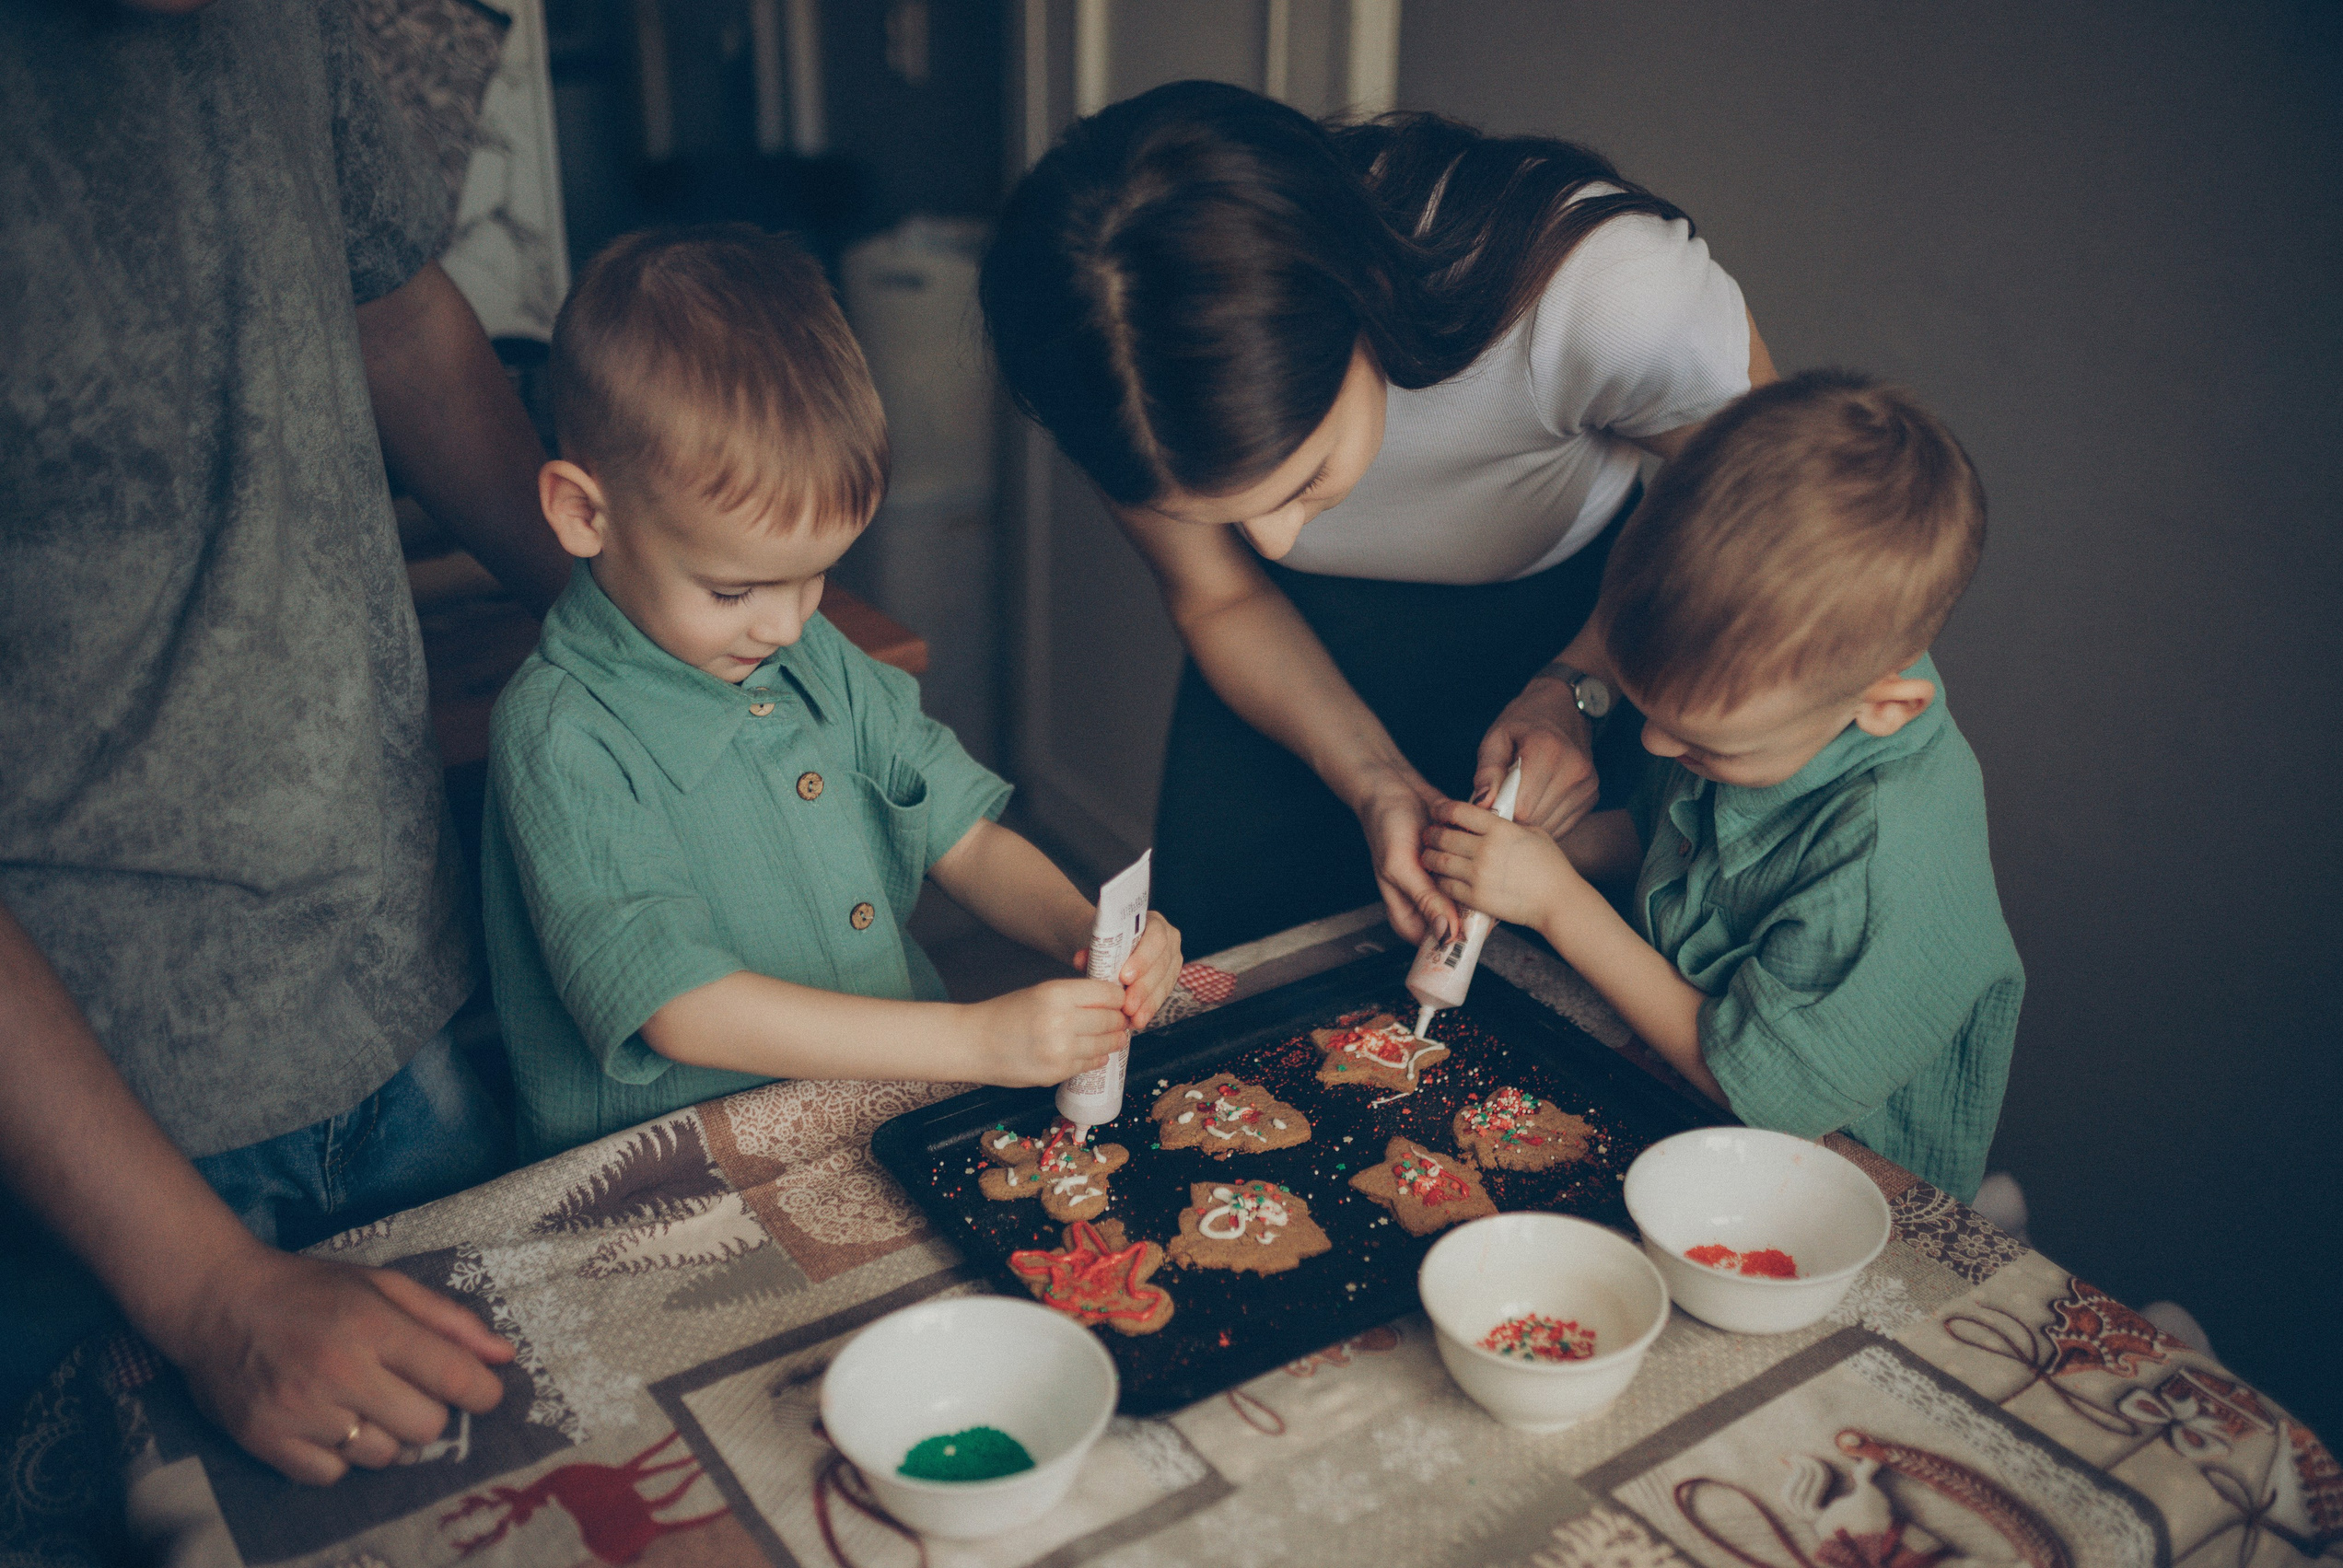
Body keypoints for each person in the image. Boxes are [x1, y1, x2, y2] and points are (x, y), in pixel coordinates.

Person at [0, 0, 576, 1485]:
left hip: (405, 979)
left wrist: (658, 615)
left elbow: (395, 308)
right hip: (103, 1134)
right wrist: (201, 1285)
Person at [979, 80, 1777, 956]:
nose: (1275, 541)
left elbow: (1768, 520)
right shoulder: (1111, 359)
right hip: (1280, 680)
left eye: (1303, 479)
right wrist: (1374, 781)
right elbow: (1224, 597)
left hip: (1586, 629)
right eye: (1221, 513)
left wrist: (1579, 686)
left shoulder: (1605, 292)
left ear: (1363, 294)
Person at [482, 227, 1183, 1160]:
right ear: (583, 513)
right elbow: (681, 1010)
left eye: (814, 574)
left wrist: (1089, 936)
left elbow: (962, 836)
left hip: (875, 1123)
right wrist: (975, 1039)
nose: (783, 625)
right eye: (734, 589)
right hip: (687, 1177)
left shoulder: (815, 652)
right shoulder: (560, 732)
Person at [1417, 373, 2023, 1198]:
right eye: (1647, 709)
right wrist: (1544, 848)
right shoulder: (1766, 718)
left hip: (1832, 1180)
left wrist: (1555, 899)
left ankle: (2002, 1211)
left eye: (1702, 743)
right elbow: (1681, 842)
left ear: (1883, 706)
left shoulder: (1886, 867)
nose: (1659, 745)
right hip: (1682, 1101)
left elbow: (1754, 1086)